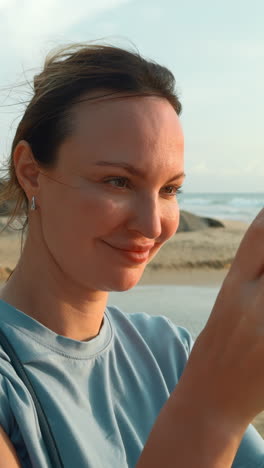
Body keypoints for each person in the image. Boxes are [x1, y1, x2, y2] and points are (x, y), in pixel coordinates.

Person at [0, 43, 263, 468]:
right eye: (118, 182)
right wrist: (212, 415)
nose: (153, 225)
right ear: (31, 172)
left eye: (169, 190)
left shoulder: (170, 352)